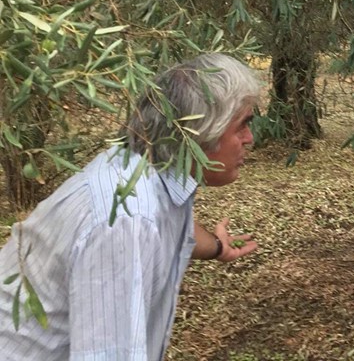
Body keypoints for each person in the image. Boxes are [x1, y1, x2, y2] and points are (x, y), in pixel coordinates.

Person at [0, 53, 261, 359]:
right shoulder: (126, 220)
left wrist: (217, 246)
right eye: (242, 124)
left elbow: (170, 224)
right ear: (202, 131)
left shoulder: (144, 172)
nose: (250, 138)